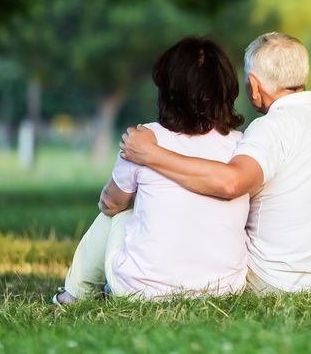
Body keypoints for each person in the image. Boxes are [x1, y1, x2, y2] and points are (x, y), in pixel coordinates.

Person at [121, 32, 311, 295]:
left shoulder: (271, 127)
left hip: (281, 280)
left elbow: (230, 183)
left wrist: (150, 154)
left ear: (254, 85)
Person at [53, 37, 248, 304]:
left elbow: (110, 204)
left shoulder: (145, 140)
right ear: (226, 89)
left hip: (143, 290)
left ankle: (74, 295)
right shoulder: (241, 146)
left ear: (168, 90)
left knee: (118, 215)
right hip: (224, 288)